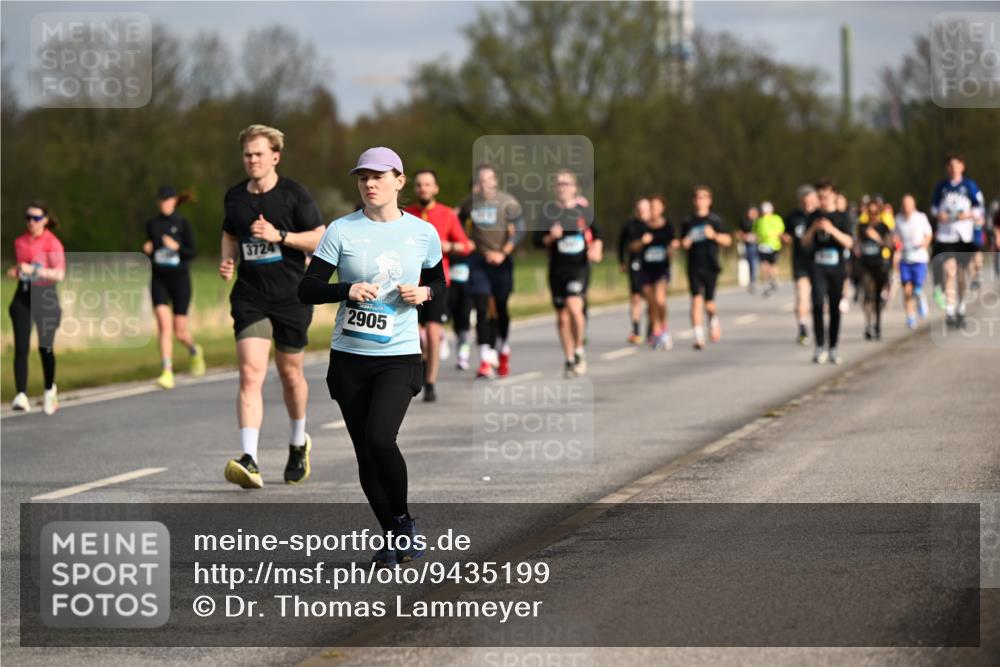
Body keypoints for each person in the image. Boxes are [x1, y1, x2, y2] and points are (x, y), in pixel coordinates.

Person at [299, 147, 444, 567]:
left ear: (400, 181)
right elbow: (306, 289)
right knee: (365, 453)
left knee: (381, 438)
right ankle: (396, 530)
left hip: (398, 356)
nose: (369, 183)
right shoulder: (341, 231)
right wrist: (344, 289)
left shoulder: (421, 233)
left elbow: (441, 284)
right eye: (363, 177)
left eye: (379, 176)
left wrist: (426, 293)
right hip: (349, 358)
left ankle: (403, 524)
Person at [220, 124, 326, 489]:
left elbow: (320, 235)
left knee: (290, 374)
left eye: (259, 154)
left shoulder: (293, 194)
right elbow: (230, 232)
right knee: (251, 373)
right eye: (247, 154)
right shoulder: (234, 197)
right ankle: (249, 457)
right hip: (250, 296)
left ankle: (299, 442)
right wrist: (228, 260)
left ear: (275, 157)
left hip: (292, 296)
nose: (252, 160)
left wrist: (280, 236)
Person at [404, 169, 473, 401]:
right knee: (414, 335)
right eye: (419, 185)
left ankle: (430, 382)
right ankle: (419, 369)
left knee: (433, 333)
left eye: (427, 184)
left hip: (436, 283)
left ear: (435, 188)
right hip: (410, 284)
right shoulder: (406, 214)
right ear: (415, 189)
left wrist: (447, 246)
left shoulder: (446, 214)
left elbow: (465, 246)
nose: (423, 188)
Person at [456, 165, 525, 378]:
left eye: (489, 179)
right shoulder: (469, 202)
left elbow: (520, 230)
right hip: (478, 261)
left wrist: (503, 252)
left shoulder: (508, 202)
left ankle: (503, 348)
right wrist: (466, 242)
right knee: (482, 306)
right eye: (481, 180)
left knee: (501, 309)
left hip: (502, 261)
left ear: (495, 181)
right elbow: (457, 224)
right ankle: (486, 358)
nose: (486, 184)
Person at [536, 170, 603, 377]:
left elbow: (599, 236)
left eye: (567, 184)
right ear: (555, 189)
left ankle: (580, 350)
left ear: (575, 188)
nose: (563, 187)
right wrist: (550, 238)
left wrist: (596, 249)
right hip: (557, 270)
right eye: (559, 184)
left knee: (575, 307)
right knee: (562, 318)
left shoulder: (584, 212)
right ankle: (569, 358)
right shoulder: (548, 213)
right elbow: (537, 241)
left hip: (579, 268)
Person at [142, 185, 205, 389]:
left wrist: (176, 247)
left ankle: (194, 350)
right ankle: (166, 371)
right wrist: (148, 250)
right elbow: (151, 252)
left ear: (175, 201)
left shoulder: (183, 222)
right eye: (161, 200)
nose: (164, 203)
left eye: (168, 200)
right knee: (163, 323)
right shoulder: (152, 224)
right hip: (159, 279)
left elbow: (192, 252)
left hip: (180, 280)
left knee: (179, 331)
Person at [7, 201, 65, 414]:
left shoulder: (52, 243)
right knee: (21, 347)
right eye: (28, 217)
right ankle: (21, 394)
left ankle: (50, 389)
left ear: (45, 220)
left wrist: (34, 270)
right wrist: (16, 271)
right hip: (23, 296)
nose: (31, 222)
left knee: (45, 348)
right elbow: (23, 270)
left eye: (36, 218)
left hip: (46, 297)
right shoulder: (20, 242)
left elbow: (59, 273)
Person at [930, 153, 986, 328]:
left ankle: (961, 309)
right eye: (950, 165)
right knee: (950, 272)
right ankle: (949, 310)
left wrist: (968, 215)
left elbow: (980, 209)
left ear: (962, 166)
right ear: (948, 168)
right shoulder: (942, 187)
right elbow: (933, 207)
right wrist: (940, 215)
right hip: (947, 235)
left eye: (956, 165)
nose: (953, 168)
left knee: (962, 275)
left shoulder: (969, 186)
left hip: (965, 236)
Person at [803, 180, 854, 365]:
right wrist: (814, 229)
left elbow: (849, 242)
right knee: (817, 304)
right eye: (820, 196)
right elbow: (804, 242)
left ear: (833, 195)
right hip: (818, 268)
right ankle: (819, 347)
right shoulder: (812, 216)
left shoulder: (842, 217)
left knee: (834, 308)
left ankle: (833, 347)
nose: (823, 200)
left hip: (836, 268)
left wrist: (831, 230)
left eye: (826, 196)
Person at [680, 186, 732, 350]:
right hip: (694, 265)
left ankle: (713, 320)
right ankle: (698, 336)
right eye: (697, 198)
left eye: (703, 198)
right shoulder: (688, 222)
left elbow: (728, 240)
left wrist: (714, 236)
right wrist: (684, 243)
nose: (700, 201)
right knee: (696, 300)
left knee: (709, 303)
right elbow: (680, 242)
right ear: (693, 201)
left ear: (709, 200)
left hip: (711, 265)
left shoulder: (715, 220)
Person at [628, 195, 676, 350]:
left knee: (660, 300)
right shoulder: (641, 227)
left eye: (656, 207)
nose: (653, 210)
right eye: (651, 207)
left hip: (662, 269)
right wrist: (642, 242)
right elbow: (632, 247)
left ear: (662, 208)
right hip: (646, 269)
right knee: (651, 303)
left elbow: (674, 244)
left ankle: (663, 328)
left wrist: (672, 249)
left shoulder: (667, 226)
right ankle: (655, 331)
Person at [783, 185, 819, 344]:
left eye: (811, 202)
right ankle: (803, 327)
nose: (808, 205)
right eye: (805, 202)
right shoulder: (793, 216)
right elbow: (787, 235)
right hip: (800, 261)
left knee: (819, 298)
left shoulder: (821, 217)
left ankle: (819, 328)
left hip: (819, 262)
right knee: (801, 294)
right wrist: (785, 238)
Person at [894, 194, 933, 330]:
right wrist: (896, 242)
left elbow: (929, 234)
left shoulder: (921, 217)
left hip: (919, 258)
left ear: (913, 205)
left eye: (909, 205)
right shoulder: (898, 219)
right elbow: (895, 235)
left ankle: (920, 298)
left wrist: (925, 243)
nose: (907, 208)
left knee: (916, 288)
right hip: (905, 259)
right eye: (904, 205)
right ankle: (910, 316)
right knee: (906, 290)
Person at [856, 203, 894, 340]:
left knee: (877, 298)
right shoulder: (861, 227)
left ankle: (877, 324)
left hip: (879, 264)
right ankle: (868, 324)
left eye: (875, 213)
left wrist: (876, 237)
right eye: (870, 213)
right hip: (865, 265)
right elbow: (857, 244)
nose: (872, 216)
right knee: (868, 293)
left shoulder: (884, 227)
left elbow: (890, 245)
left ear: (878, 213)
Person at [618, 198, 652, 344]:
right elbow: (621, 244)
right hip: (635, 263)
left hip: (652, 265)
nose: (642, 211)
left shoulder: (654, 225)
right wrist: (621, 262)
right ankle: (636, 330)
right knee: (635, 297)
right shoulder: (630, 226)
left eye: (645, 208)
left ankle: (652, 329)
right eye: (639, 208)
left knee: (651, 299)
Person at [753, 201, 785, 297]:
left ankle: (773, 279)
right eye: (764, 211)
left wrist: (776, 236)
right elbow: (754, 231)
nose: (765, 213)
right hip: (762, 246)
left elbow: (781, 231)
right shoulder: (759, 220)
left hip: (774, 245)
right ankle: (767, 283)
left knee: (773, 265)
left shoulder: (776, 218)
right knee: (763, 265)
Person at [738, 205, 760, 293]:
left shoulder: (760, 222)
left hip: (760, 244)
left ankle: (767, 280)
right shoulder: (744, 222)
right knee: (752, 263)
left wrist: (757, 237)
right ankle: (753, 280)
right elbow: (738, 233)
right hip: (748, 245)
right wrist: (745, 236)